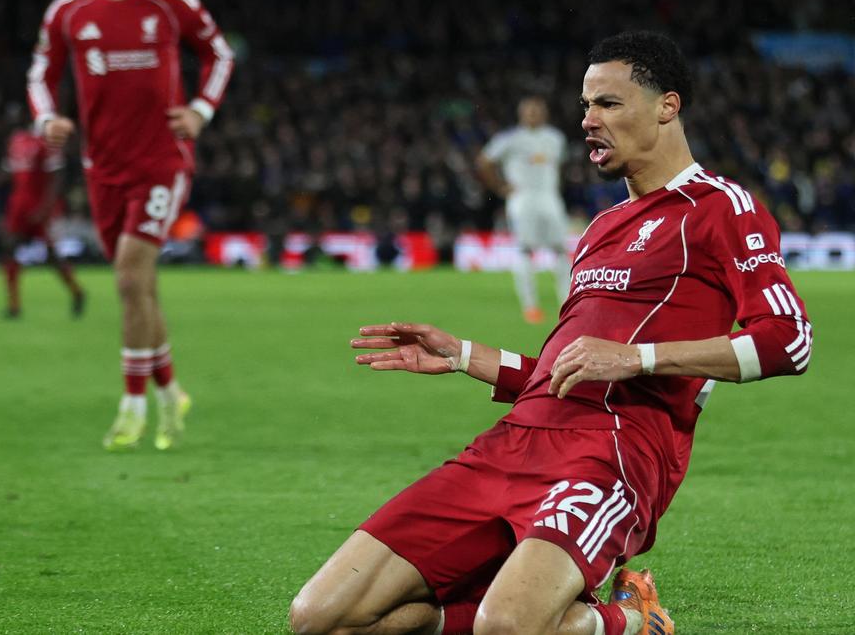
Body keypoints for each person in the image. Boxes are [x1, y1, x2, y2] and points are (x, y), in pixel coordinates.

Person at [290, 31, 813, 635]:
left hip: (610, 453)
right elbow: (565, 369)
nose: (588, 120)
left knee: (507, 627)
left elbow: (790, 340)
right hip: (512, 443)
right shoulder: (599, 229)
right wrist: (462, 354)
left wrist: (636, 358)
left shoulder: (721, 207)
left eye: (608, 103)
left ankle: (628, 620)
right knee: (321, 618)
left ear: (667, 107)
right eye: (585, 105)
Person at [27, 0, 234, 450]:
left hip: (162, 161)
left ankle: (132, 406)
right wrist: (46, 119)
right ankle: (171, 395)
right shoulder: (68, 10)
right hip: (102, 168)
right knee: (140, 287)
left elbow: (220, 54)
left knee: (127, 277)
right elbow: (40, 74)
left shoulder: (170, 2)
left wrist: (201, 110)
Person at [476, 97, 571, 324]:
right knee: (525, 250)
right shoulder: (510, 138)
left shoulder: (556, 138)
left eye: (537, 110)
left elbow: (559, 166)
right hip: (522, 198)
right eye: (529, 111)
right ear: (521, 114)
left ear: (545, 113)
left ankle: (567, 302)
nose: (533, 114)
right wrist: (499, 187)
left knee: (560, 249)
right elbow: (484, 161)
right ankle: (530, 306)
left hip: (549, 196)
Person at [1, 123, 85, 319]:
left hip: (39, 205)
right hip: (19, 205)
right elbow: (13, 174)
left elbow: (56, 178)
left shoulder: (48, 141)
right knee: (9, 248)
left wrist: (46, 208)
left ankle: (77, 291)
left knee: (51, 256)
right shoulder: (16, 139)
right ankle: (14, 306)